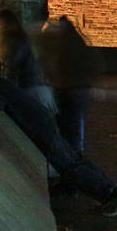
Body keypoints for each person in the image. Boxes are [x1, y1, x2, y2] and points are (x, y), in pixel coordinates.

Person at [0, 62, 117, 216]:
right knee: (71, 159)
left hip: (35, 124)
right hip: (40, 118)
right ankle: (96, 189)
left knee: (68, 163)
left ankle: (111, 194)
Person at [39, 16, 96, 153]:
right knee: (74, 123)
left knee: (66, 124)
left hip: (66, 89)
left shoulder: (61, 45)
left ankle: (70, 153)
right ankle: (75, 151)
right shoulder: (77, 42)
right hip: (76, 90)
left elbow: (51, 66)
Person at [0, 8, 46, 96]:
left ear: (6, 25)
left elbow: (13, 69)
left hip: (29, 89)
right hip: (29, 88)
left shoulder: (15, 43)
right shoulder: (9, 42)